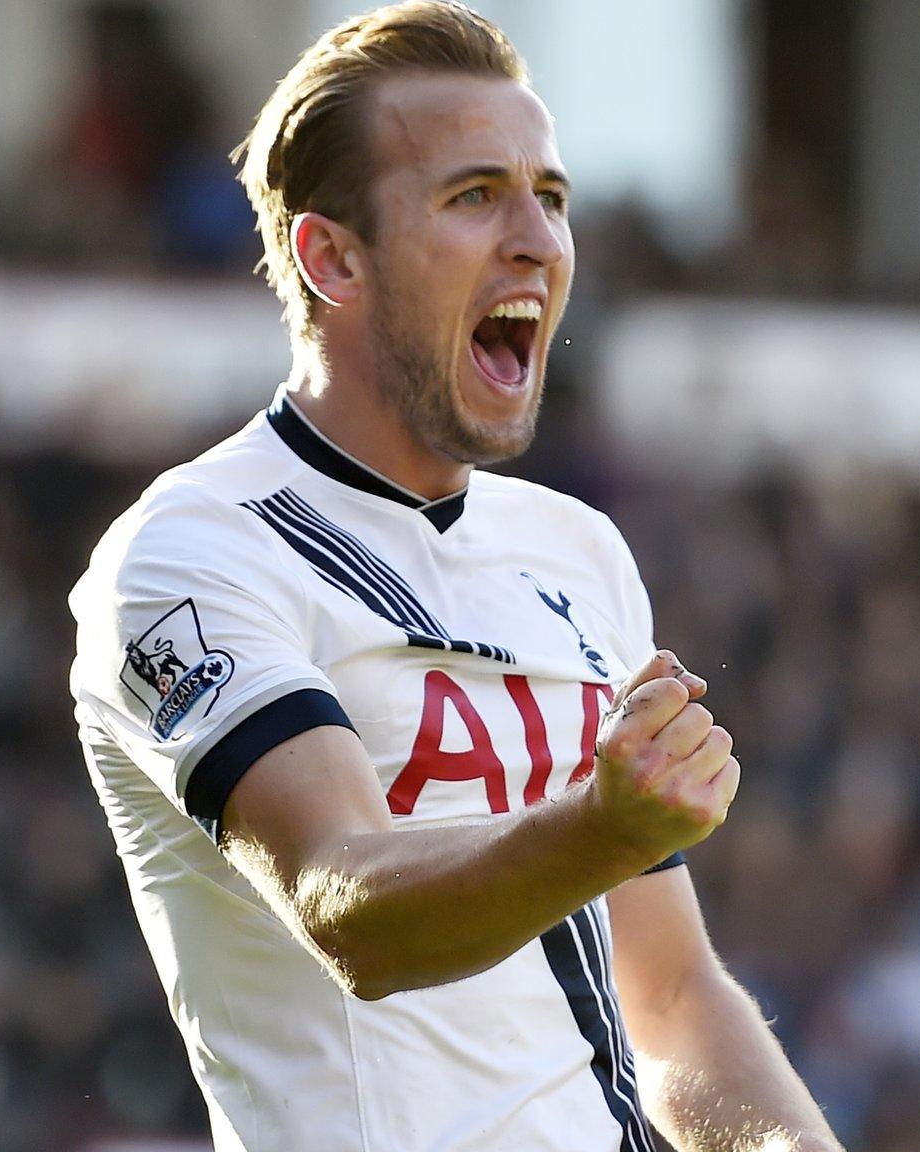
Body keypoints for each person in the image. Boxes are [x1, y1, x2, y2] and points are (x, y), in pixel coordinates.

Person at [67, 5, 842, 1149]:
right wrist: (596, 829)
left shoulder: (577, 552)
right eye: (474, 195)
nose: (537, 239)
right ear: (330, 257)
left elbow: (671, 1000)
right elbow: (348, 907)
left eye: (552, 197)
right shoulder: (192, 553)